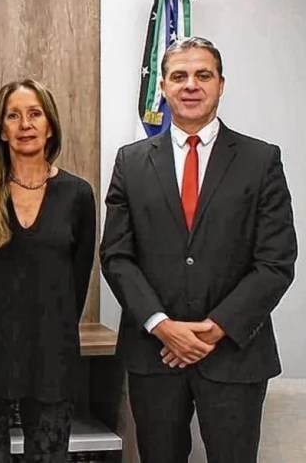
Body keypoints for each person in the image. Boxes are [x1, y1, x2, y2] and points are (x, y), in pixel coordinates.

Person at [100, 36, 297, 462]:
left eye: (203, 75)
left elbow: (276, 261)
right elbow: (116, 255)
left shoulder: (260, 160)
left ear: (221, 84)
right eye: (179, 76)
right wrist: (161, 325)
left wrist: (216, 328)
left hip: (235, 355)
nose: (191, 85)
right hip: (155, 354)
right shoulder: (130, 162)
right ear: (164, 87)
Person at [0, 79, 96, 462]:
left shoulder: (78, 195)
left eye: (34, 114)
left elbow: (77, 283)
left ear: (50, 126)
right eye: (13, 116)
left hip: (50, 355)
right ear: (1, 129)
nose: (25, 124)